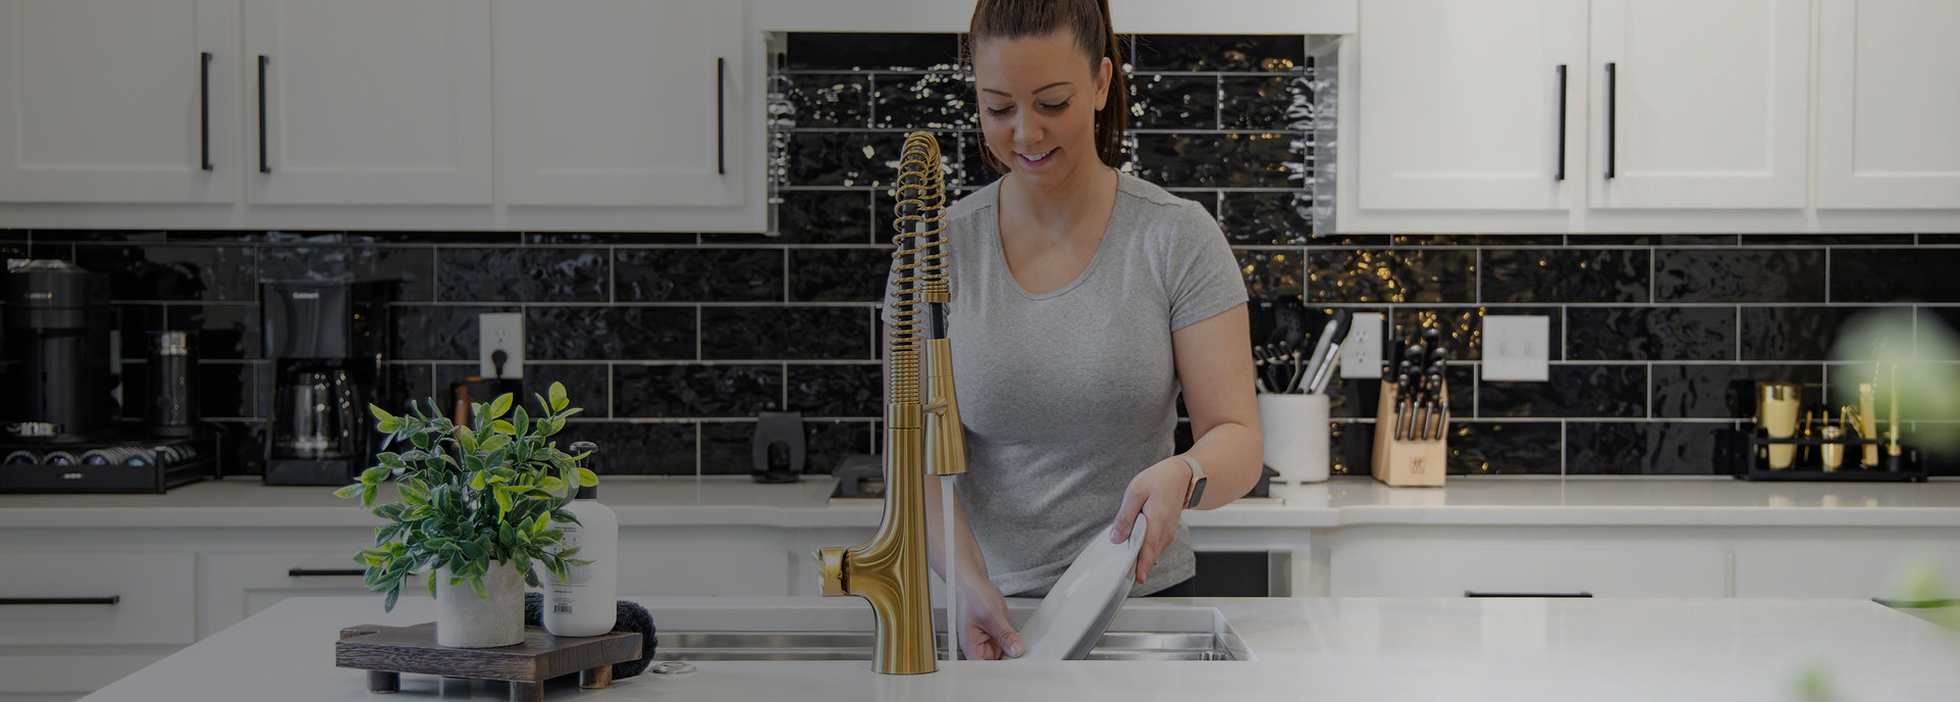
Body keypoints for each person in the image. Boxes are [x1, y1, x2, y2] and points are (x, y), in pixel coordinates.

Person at [881, 0, 1262, 661]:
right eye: (998, 108)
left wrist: (1186, 472)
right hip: (989, 619)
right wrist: (968, 584)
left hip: (1141, 616)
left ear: (1101, 84)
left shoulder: (1176, 240)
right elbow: (910, 458)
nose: (1025, 133)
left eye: (1051, 102)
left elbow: (1238, 439)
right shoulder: (934, 252)